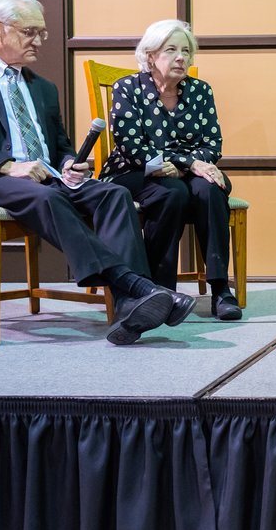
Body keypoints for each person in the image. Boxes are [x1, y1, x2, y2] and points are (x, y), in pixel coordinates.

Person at [0, 0, 195, 345]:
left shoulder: (43, 87)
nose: (39, 41)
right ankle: (138, 287)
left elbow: (60, 145)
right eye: (29, 32)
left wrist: (68, 163)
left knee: (113, 194)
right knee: (47, 198)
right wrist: (7, 166)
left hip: (44, 178)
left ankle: (128, 306)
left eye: (42, 33)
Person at [99, 20, 240, 321]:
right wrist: (188, 162)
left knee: (210, 188)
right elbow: (132, 146)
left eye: (186, 51)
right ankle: (160, 290)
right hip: (134, 169)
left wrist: (184, 166)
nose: (181, 58)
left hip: (185, 173)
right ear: (150, 56)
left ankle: (220, 289)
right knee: (172, 193)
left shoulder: (201, 91)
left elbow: (212, 143)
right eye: (172, 50)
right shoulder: (128, 88)